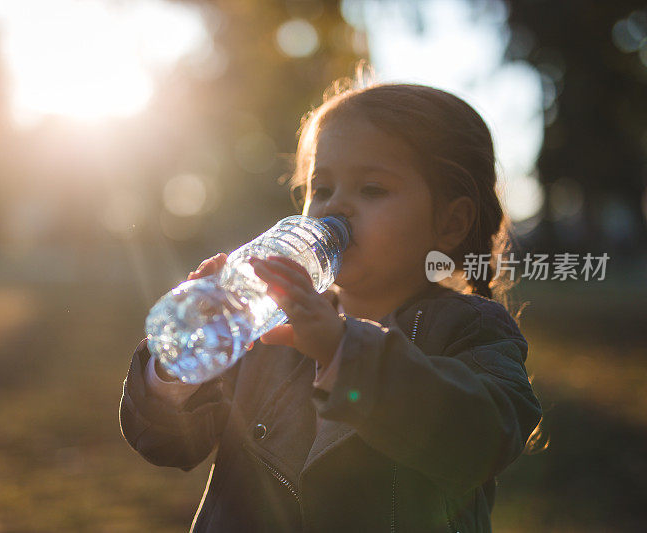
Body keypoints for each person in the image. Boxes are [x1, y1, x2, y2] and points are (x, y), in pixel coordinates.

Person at [119, 74, 544, 532]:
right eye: (320, 189)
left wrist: (344, 350)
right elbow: (169, 444)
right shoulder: (269, 326)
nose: (335, 208)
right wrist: (178, 366)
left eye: (372, 189)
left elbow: (484, 439)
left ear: (450, 224)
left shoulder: (471, 327)